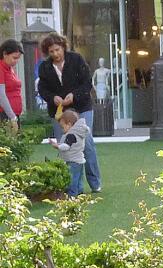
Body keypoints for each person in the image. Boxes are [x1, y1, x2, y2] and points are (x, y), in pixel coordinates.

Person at [35, 32, 101, 194]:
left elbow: (87, 82)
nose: (55, 54)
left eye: (58, 50)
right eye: (51, 52)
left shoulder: (76, 59)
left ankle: (95, 183)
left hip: (82, 108)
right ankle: (70, 185)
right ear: (47, 52)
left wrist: (74, 95)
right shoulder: (44, 67)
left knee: (87, 144)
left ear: (63, 47)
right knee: (65, 147)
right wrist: (53, 98)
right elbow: (42, 89)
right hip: (59, 112)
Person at [49, 108, 90, 197]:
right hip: (79, 160)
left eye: (63, 127)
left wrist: (57, 146)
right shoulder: (78, 133)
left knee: (72, 179)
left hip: (72, 160)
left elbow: (66, 146)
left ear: (69, 124)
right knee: (78, 178)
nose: (62, 129)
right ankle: (80, 192)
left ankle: (72, 194)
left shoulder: (71, 134)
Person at [0, 39, 23, 134]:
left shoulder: (9, 68)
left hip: (13, 114)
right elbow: (1, 95)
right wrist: (12, 117)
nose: (16, 61)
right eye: (14, 58)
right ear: (5, 54)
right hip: (5, 115)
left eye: (18, 58)